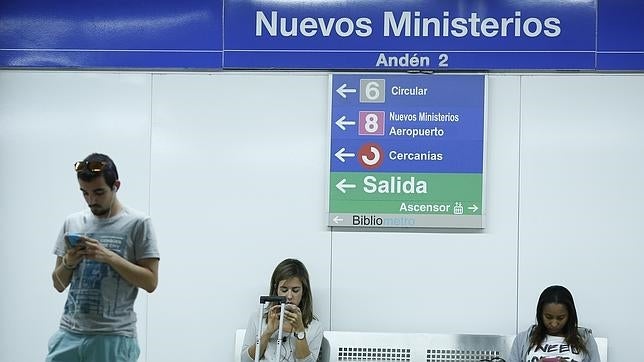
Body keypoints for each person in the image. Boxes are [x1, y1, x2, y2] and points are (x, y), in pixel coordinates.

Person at [46, 153, 160, 362]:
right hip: (68, 334)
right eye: (85, 193)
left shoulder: (138, 223)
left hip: (113, 337)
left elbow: (151, 282)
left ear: (116, 185)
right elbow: (58, 283)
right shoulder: (72, 222)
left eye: (99, 192)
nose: (92, 200)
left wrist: (109, 256)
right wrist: (69, 262)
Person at [241, 258, 324, 362]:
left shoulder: (315, 327)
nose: (289, 296)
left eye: (295, 290)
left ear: (303, 291)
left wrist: (300, 331)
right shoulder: (258, 318)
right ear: (276, 290)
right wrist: (267, 333)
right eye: (284, 290)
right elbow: (245, 360)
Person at [508, 285, 600, 362]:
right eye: (548, 317)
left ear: (570, 316)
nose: (554, 324)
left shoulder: (585, 339)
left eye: (561, 318)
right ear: (540, 314)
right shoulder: (523, 339)